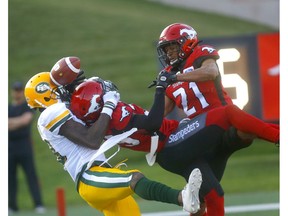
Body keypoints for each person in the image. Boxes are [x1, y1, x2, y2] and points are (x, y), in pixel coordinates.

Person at [23, 71, 203, 216]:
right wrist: (108, 104)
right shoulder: (50, 113)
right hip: (89, 177)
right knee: (134, 178)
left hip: (100, 173)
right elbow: (92, 140)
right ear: (45, 95)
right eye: (56, 88)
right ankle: (182, 197)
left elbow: (92, 122)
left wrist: (98, 90)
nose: (63, 90)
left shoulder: (61, 114)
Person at [153, 23, 280, 215]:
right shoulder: (169, 78)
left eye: (173, 47)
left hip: (224, 124)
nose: (169, 53)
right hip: (204, 136)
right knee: (204, 199)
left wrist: (176, 78)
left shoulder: (200, 53)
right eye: (166, 49)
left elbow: (210, 71)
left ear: (187, 43)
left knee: (243, 128)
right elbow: (157, 115)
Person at [8, 81, 46, 214]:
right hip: (9, 147)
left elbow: (25, 120)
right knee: (10, 178)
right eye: (15, 90)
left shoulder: (27, 106)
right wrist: (17, 122)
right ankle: (12, 206)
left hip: (24, 145)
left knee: (31, 175)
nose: (17, 92)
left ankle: (38, 204)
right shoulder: (8, 108)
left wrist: (11, 122)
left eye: (19, 90)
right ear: (13, 92)